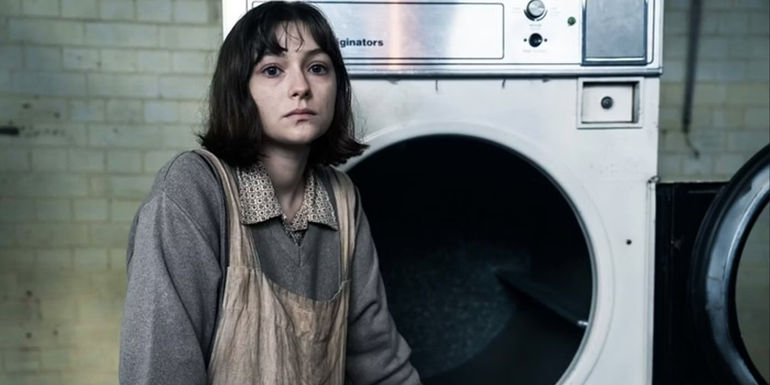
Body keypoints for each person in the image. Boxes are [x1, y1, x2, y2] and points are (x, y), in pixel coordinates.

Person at [118, 2, 421, 384]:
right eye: (272, 70)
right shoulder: (192, 190)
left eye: (317, 68)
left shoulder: (342, 199)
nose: (301, 88)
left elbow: (379, 364)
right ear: (239, 89)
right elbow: (160, 371)